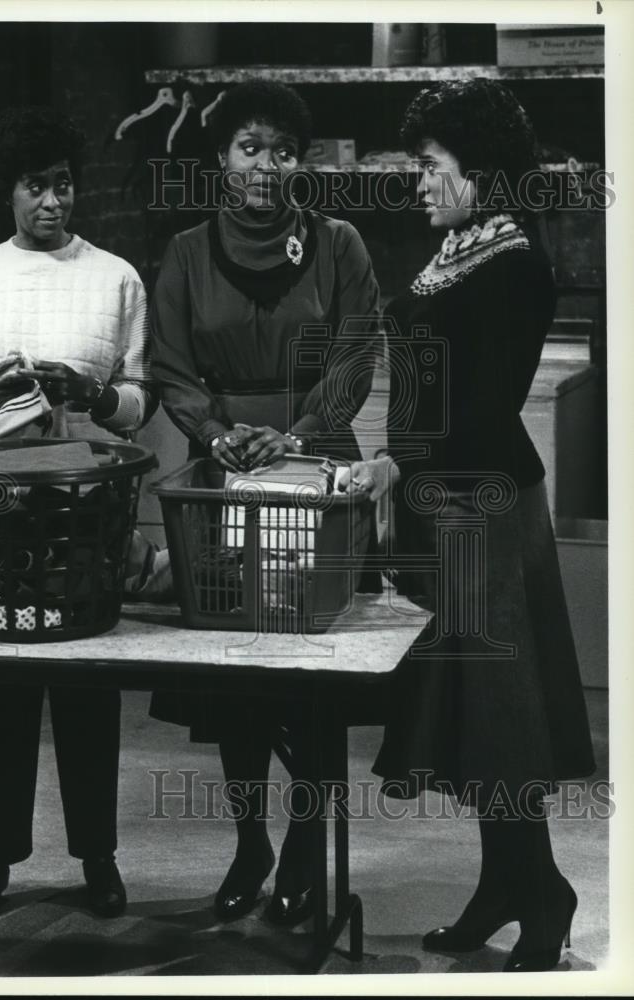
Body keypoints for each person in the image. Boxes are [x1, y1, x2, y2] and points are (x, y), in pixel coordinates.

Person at [347, 78, 596, 972]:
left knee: (500, 717)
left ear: (477, 173)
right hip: (442, 503)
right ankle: (504, 884)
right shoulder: (453, 254)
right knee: (472, 721)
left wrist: (396, 462)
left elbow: (483, 409)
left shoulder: (515, 265)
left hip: (484, 508)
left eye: (430, 166)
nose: (418, 182)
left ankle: (546, 893)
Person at [149, 80, 382, 926]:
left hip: (314, 470)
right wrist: (215, 436)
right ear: (222, 158)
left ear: (301, 162)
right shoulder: (183, 252)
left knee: (307, 675)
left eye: (284, 150)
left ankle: (304, 844)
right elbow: (170, 364)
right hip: (221, 479)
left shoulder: (338, 244)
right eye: (251, 147)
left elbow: (356, 354)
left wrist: (303, 433)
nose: (267, 165)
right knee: (234, 675)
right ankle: (250, 840)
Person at [0, 106, 156, 919]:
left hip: (86, 509)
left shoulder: (117, 279)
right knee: (7, 688)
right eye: (35, 185)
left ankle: (98, 857)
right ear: (9, 193)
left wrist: (91, 393)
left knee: (89, 687)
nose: (51, 201)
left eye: (63, 184)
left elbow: (137, 399)